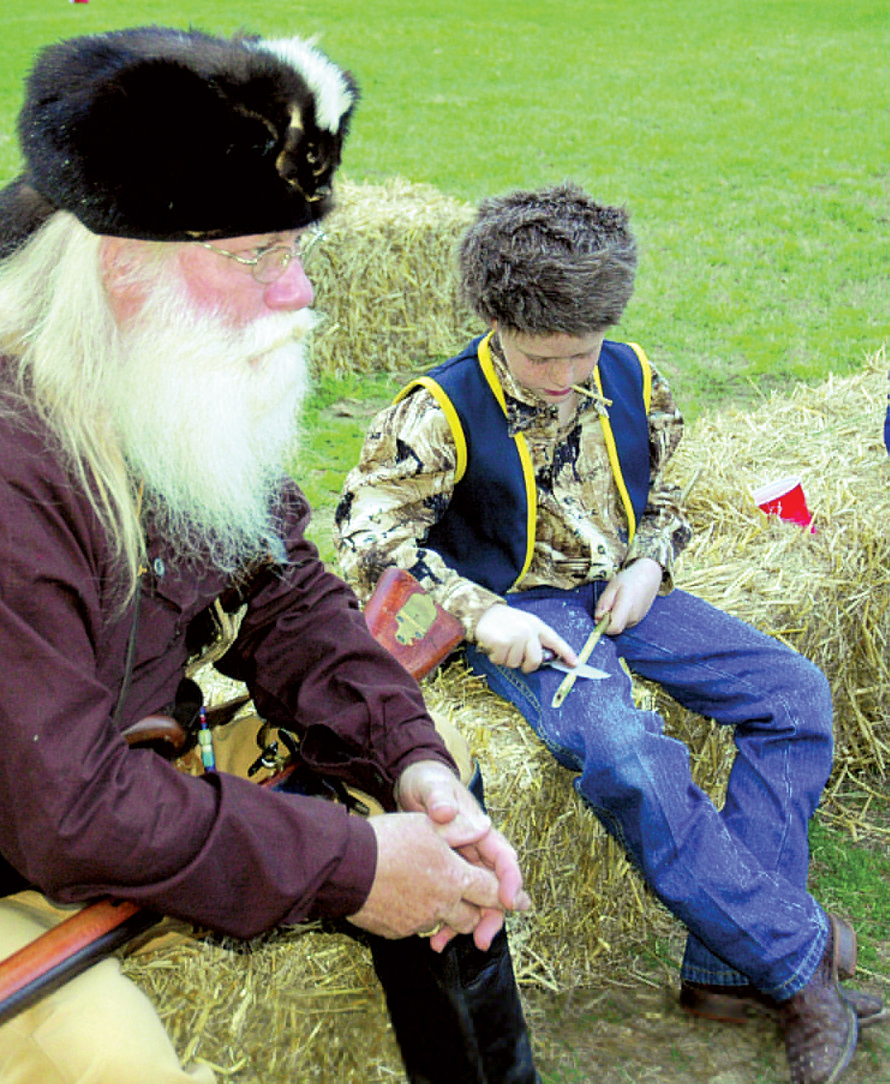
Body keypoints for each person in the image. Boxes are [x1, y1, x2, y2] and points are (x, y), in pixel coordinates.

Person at [0, 26, 540, 1084]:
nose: (299, 296)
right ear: (123, 264)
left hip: (99, 789)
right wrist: (353, 866)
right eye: (256, 257)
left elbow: (283, 597)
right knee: (112, 1060)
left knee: (429, 808)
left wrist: (410, 763)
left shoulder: (140, 363)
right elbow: (69, 812)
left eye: (296, 251)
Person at [334, 183, 885, 1084]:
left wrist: (650, 566)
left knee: (795, 695)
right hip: (520, 610)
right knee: (631, 757)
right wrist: (485, 615)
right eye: (540, 358)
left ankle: (727, 970)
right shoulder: (433, 408)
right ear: (494, 319)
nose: (563, 377)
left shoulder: (630, 372)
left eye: (580, 356)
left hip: (622, 591)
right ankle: (796, 964)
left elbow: (667, 494)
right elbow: (367, 534)